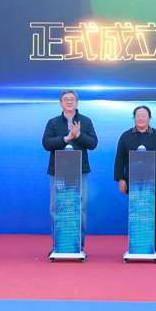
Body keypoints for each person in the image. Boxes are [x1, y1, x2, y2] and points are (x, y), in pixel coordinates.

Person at [42, 90, 98, 253]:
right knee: (57, 207)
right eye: (65, 99)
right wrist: (66, 139)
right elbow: (46, 144)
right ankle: (58, 246)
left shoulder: (85, 121)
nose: (69, 102)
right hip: (58, 170)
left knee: (79, 208)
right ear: (60, 103)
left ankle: (78, 246)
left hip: (79, 170)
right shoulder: (53, 122)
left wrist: (79, 134)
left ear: (77, 103)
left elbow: (93, 144)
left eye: (72, 99)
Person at [113, 105, 156, 252]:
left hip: (153, 183)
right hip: (133, 183)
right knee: (136, 214)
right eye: (138, 116)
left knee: (152, 215)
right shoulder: (126, 136)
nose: (141, 118)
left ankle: (152, 249)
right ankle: (135, 248)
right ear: (134, 118)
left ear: (149, 118)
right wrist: (121, 179)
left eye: (144, 116)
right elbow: (120, 160)